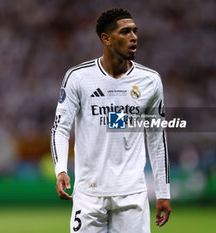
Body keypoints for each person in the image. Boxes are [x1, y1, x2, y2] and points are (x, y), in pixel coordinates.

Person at [51, 8, 171, 233]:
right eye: (125, 32)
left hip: (132, 195)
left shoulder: (150, 81)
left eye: (135, 31)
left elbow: (157, 138)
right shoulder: (78, 77)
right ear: (106, 39)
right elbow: (60, 128)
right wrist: (61, 169)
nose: (134, 37)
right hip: (89, 194)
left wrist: (163, 191)